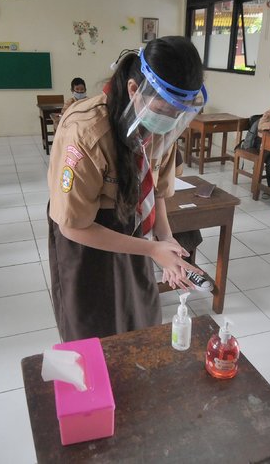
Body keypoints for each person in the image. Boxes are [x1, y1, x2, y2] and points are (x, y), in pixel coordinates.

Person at [47, 36, 209, 342]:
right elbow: (72, 227)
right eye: (165, 110)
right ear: (135, 89)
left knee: (139, 316)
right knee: (93, 324)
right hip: (90, 235)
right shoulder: (87, 133)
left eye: (179, 114)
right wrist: (151, 249)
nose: (170, 121)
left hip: (136, 228)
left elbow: (157, 191)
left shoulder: (164, 126)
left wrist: (166, 240)